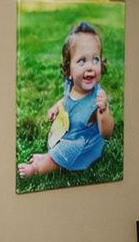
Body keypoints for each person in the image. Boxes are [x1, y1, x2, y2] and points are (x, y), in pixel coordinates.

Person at [19, 21, 116, 179]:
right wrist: (55, 107)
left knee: (60, 156)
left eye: (95, 59)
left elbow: (107, 133)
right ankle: (48, 156)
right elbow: (66, 100)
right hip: (70, 134)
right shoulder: (72, 86)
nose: (90, 67)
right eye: (82, 61)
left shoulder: (97, 98)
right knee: (58, 148)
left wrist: (103, 111)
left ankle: (37, 168)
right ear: (68, 70)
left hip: (82, 145)